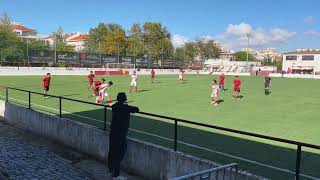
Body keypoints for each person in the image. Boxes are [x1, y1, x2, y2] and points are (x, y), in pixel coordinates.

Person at [108, 92, 139, 178]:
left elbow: (120, 107)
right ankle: (116, 171)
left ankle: (110, 168)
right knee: (120, 151)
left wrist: (126, 105)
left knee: (112, 149)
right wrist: (127, 106)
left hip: (113, 131)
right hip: (121, 133)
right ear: (125, 99)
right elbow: (136, 109)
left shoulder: (115, 106)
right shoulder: (126, 108)